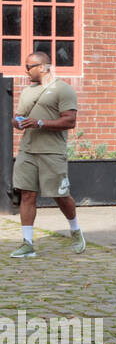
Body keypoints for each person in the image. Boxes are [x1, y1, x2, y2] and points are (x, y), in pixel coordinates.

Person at [10, 52, 84, 257]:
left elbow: (70, 121)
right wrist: (17, 122)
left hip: (52, 151)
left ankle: (75, 230)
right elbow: (17, 117)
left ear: (43, 67)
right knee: (27, 194)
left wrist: (40, 123)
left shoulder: (63, 89)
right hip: (27, 150)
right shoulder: (27, 92)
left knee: (60, 196)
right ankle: (27, 243)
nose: (26, 71)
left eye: (29, 67)